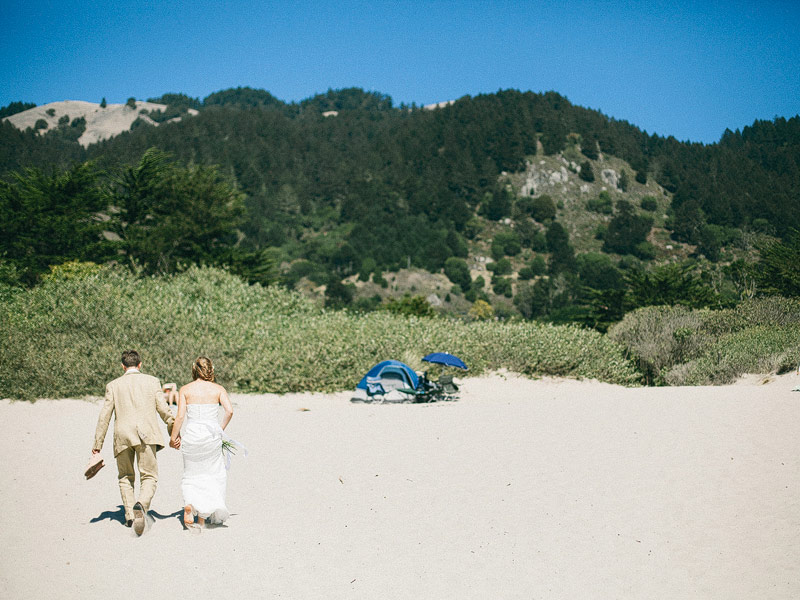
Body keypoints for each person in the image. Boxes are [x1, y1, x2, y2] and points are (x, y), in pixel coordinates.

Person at [92, 350, 175, 535]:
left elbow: (104, 417)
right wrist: (173, 429)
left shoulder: (113, 385)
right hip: (147, 435)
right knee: (149, 476)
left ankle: (130, 515)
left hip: (122, 436)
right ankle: (142, 505)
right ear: (140, 364)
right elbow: (164, 409)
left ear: (123, 366)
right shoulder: (152, 381)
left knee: (125, 477)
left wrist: (97, 446)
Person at [170, 356, 234, 531]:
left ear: (194, 370)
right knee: (212, 474)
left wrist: (173, 437)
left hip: (191, 437)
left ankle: (190, 503)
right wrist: (220, 429)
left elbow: (180, 416)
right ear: (210, 369)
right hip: (211, 438)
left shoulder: (185, 389)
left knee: (191, 474)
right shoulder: (218, 389)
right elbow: (229, 411)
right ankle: (202, 517)